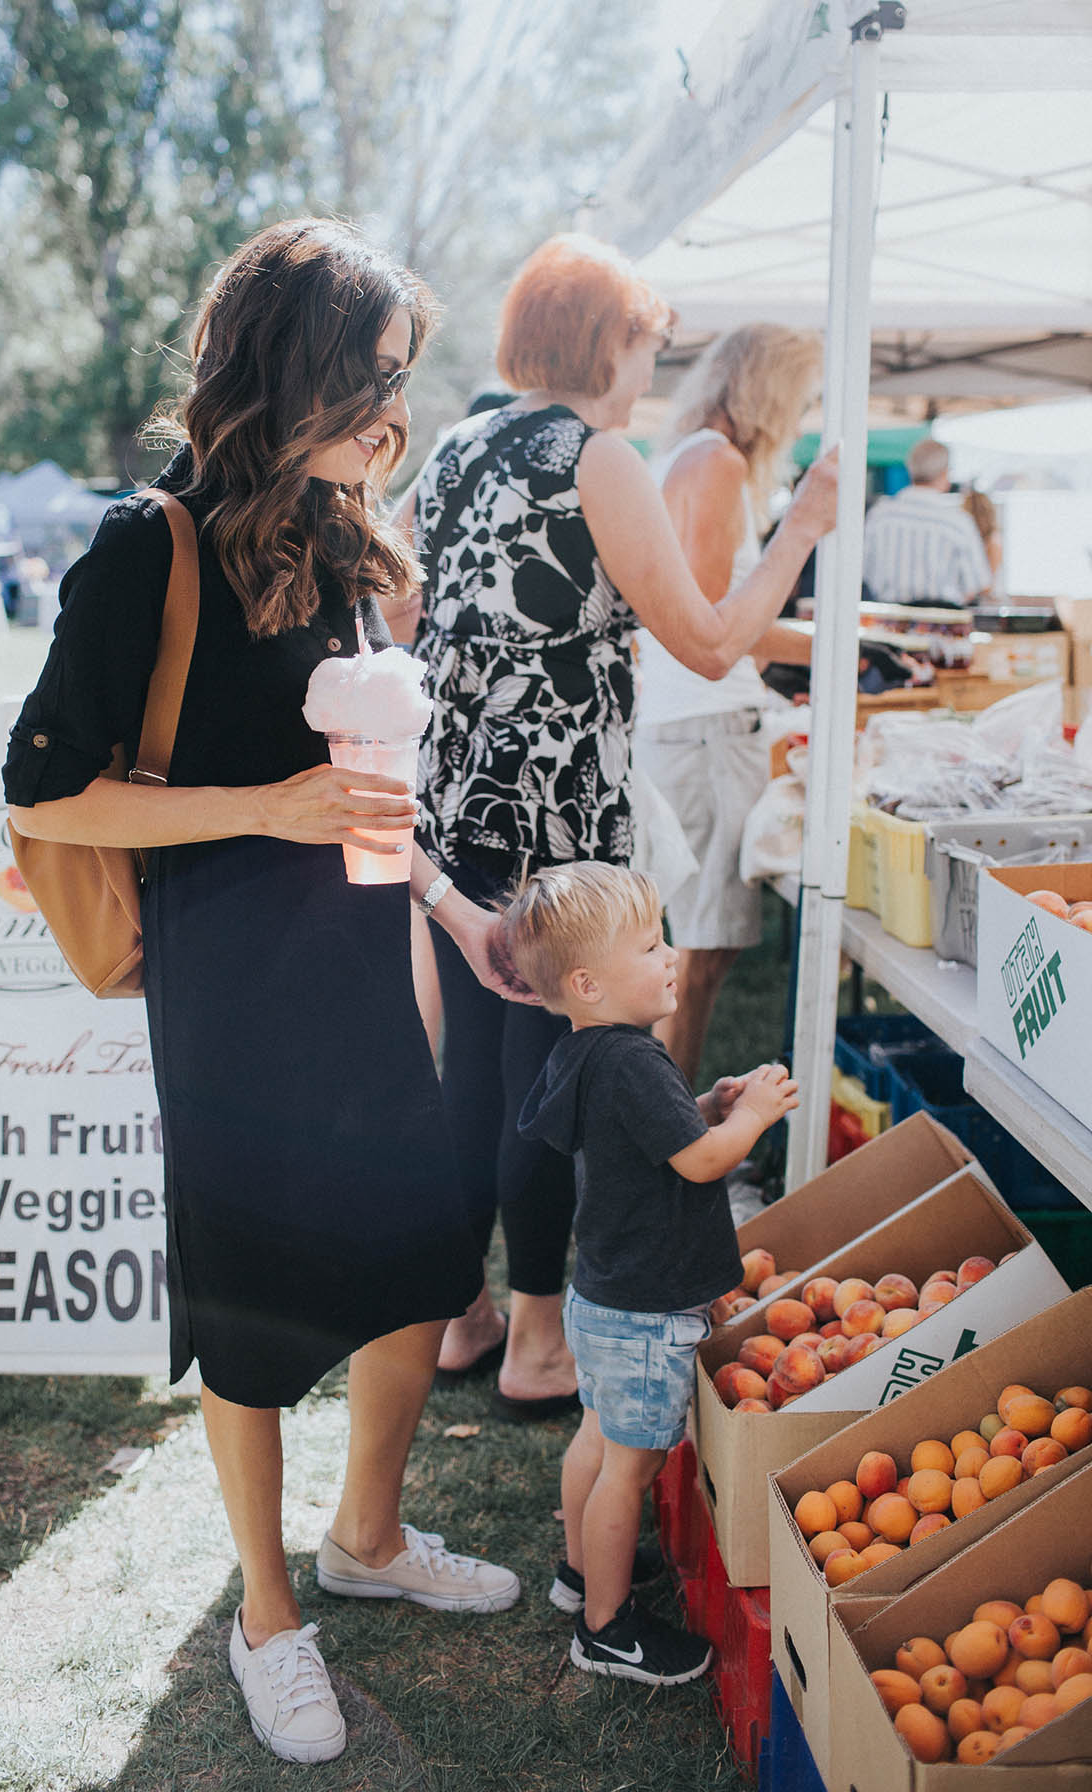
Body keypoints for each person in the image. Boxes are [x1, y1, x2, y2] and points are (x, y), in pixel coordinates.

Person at [4, 220, 521, 1769]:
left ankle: (370, 1534)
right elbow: (47, 793)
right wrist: (262, 811)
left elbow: (363, 784)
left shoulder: (347, 533)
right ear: (297, 369)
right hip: (229, 975)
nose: (396, 411)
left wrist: (449, 906)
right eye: (377, 378)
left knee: (421, 1256)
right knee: (251, 1295)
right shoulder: (142, 545)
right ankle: (269, 1611)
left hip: (371, 953)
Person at [408, 235, 837, 1416]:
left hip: (456, 806)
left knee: (473, 1080)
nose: (650, 372)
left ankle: (463, 1316)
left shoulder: (454, 447)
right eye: (645, 345)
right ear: (608, 341)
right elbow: (705, 637)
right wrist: (800, 528)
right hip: (559, 813)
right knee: (553, 1072)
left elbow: (395, 603)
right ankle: (539, 1344)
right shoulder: (596, 456)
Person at [503, 862, 797, 1680]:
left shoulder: (589, 1053)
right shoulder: (632, 1060)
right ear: (590, 982)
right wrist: (753, 1117)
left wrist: (706, 1104)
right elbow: (703, 1163)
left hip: (604, 1294)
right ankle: (606, 1629)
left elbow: (659, 1139)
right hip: (643, 1310)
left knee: (597, 1437)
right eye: (650, 945)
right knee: (628, 1468)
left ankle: (578, 1572)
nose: (672, 957)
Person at [632, 323, 823, 1082]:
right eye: (802, 398)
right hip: (707, 728)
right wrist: (835, 643)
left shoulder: (686, 456)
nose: (804, 415)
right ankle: (671, 1137)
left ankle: (661, 1124)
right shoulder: (716, 462)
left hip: (686, 726)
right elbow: (717, 626)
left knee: (689, 949)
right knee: (700, 956)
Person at [861, 436, 992, 607]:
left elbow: (863, 572)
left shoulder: (879, 515)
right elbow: (978, 584)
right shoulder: (957, 522)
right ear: (945, 473)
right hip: (942, 625)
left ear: (910, 470)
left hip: (889, 623)